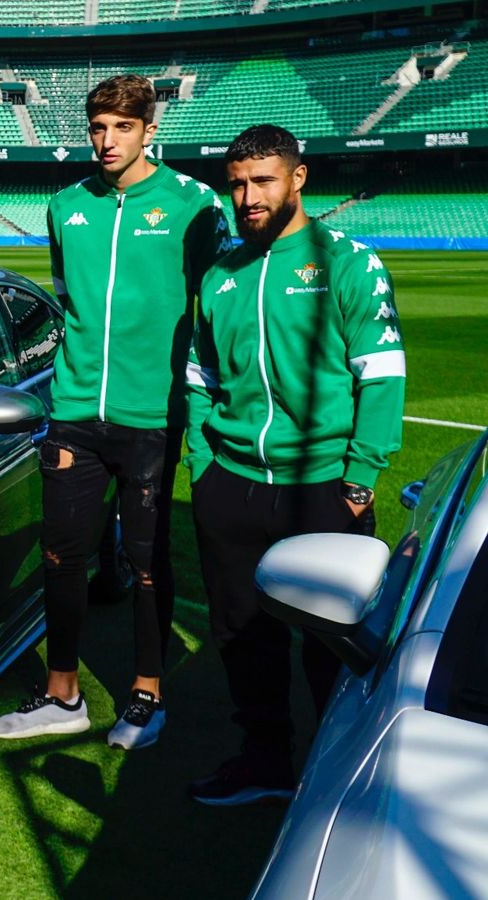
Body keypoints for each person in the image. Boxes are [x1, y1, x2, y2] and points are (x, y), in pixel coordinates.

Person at [0, 75, 231, 749]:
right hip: (73, 410)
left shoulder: (195, 205)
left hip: (153, 413)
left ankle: (147, 694)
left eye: (122, 127)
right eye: (98, 126)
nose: (106, 140)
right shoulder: (66, 205)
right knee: (63, 554)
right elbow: (68, 299)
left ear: (150, 131)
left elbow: (213, 306)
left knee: (151, 560)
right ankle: (62, 694)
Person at [186, 124, 404, 804]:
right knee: (242, 636)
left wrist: (362, 474)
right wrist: (202, 463)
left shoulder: (347, 262)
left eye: (263, 181)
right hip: (232, 486)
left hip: (323, 488)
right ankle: (266, 762)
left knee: (331, 643)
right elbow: (200, 375)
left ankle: (341, 772)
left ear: (298, 178)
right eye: (238, 184)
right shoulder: (220, 273)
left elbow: (382, 373)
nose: (247, 197)